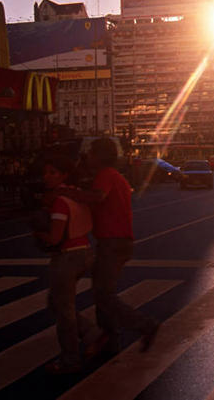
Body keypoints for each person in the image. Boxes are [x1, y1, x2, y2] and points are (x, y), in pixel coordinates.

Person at [55, 138, 159, 356]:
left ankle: (143, 325)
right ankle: (109, 340)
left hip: (113, 242)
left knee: (103, 295)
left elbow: (97, 197)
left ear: (100, 155)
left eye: (91, 153)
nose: (89, 156)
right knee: (101, 292)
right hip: (114, 242)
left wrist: (68, 193)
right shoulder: (114, 176)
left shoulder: (106, 175)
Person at [33, 155, 94, 374]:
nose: (46, 176)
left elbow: (55, 238)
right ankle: (91, 334)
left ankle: (70, 360)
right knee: (56, 303)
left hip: (67, 257)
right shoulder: (75, 195)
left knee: (64, 311)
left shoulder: (60, 201)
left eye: (53, 172)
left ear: (64, 174)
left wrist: (39, 233)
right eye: (45, 172)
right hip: (85, 251)